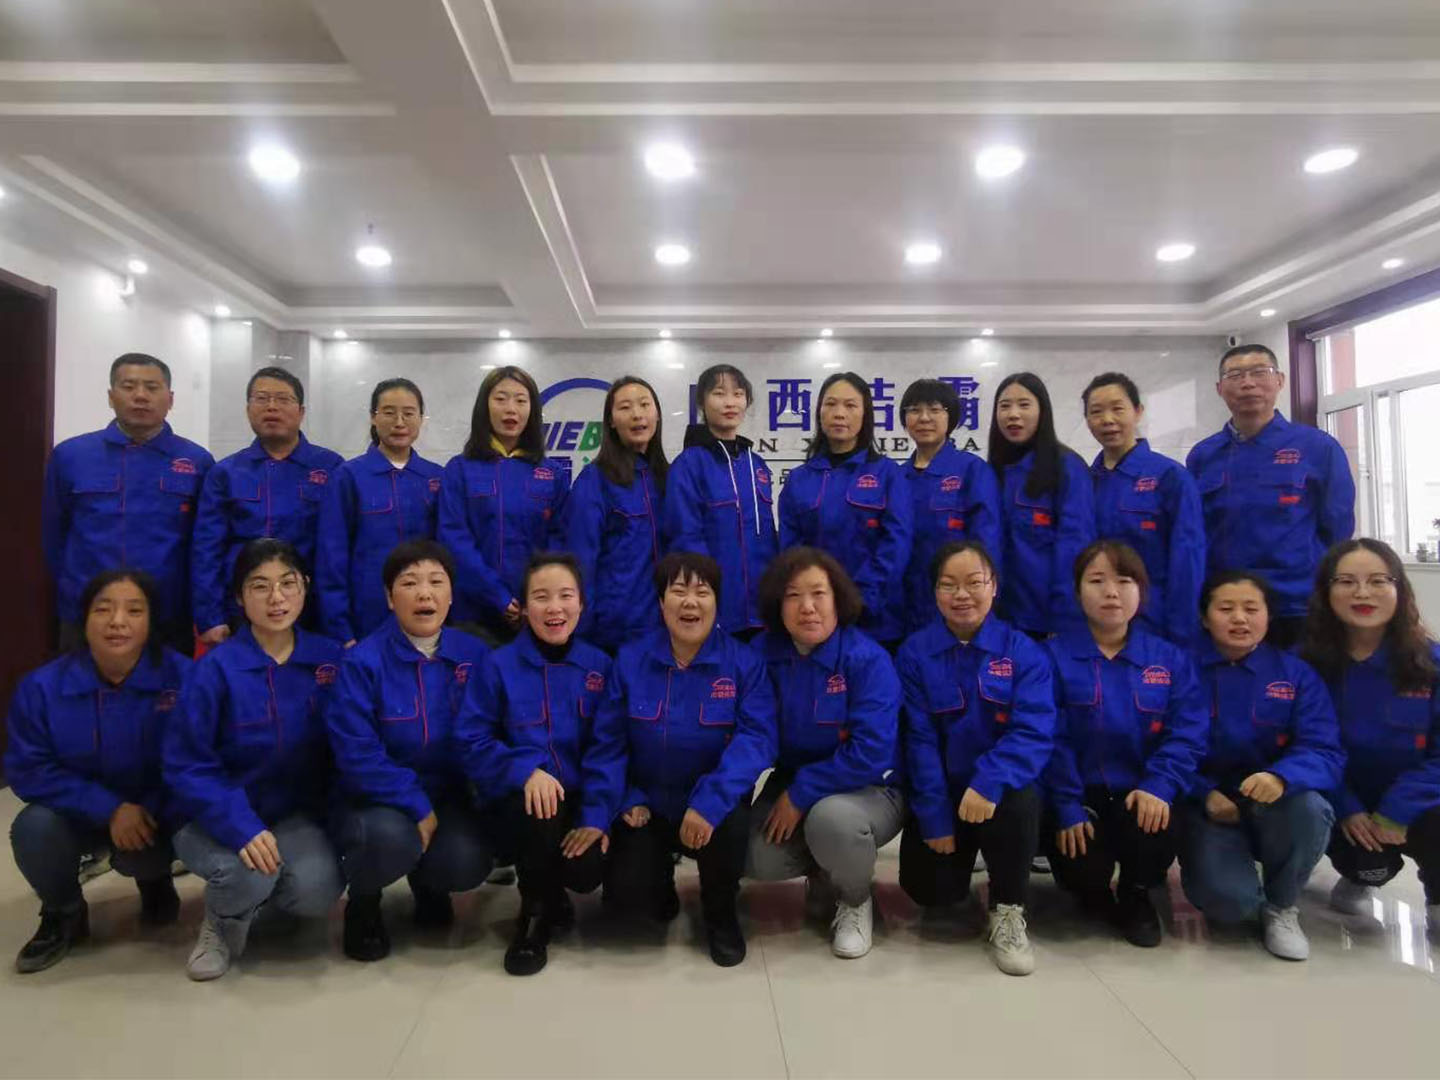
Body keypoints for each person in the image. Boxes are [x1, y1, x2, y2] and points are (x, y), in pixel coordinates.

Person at [164, 539, 345, 981]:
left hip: (292, 814)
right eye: (260, 586)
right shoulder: (215, 669)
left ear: (305, 587)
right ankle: (221, 921)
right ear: (240, 598)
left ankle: (256, 900)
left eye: (288, 583)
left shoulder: (329, 660)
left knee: (318, 888)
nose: (276, 598)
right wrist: (240, 825)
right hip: (213, 815)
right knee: (248, 875)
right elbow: (187, 764)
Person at [588, 552, 776, 966]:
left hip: (713, 803)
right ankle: (661, 888)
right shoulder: (631, 660)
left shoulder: (744, 663)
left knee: (729, 820)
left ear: (717, 603)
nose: (690, 602)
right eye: (678, 591)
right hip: (649, 803)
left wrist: (709, 802)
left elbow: (757, 739)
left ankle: (720, 911)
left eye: (702, 592)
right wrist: (627, 797)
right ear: (661, 603)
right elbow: (608, 743)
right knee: (629, 899)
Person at [6, 570, 189, 973]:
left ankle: (155, 880)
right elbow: (28, 767)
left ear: (152, 621)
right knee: (33, 828)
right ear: (83, 618)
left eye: (134, 610)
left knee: (165, 841)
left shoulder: (184, 679)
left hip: (155, 814)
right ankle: (64, 912)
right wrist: (109, 809)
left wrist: (144, 810)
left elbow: (196, 760)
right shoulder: (41, 688)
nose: (117, 621)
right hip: (79, 814)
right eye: (103, 609)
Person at [326, 541, 493, 962]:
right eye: (409, 583)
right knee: (387, 839)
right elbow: (356, 753)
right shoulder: (362, 662)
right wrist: (415, 803)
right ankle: (364, 903)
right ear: (389, 597)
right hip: (378, 798)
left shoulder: (475, 655)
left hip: (447, 795)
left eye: (436, 582)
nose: (424, 594)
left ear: (451, 595)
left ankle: (429, 885)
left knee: (466, 862)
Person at [896, 541, 1053, 975]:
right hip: (945, 792)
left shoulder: (1023, 652)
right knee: (931, 891)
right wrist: (934, 818)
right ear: (934, 593)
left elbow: (1033, 732)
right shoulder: (914, 653)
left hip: (1000, 791)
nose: (962, 594)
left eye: (974, 583)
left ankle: (1008, 907)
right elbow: (919, 741)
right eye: (949, 585)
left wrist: (988, 781)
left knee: (1021, 799)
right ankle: (965, 859)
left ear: (994, 586)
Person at [1044, 540, 1208, 947]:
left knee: (1156, 821)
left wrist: (1159, 785)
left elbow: (1187, 733)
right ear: (1077, 591)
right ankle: (1093, 889)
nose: (1111, 592)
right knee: (1082, 871)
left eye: (1124, 581)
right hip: (1079, 794)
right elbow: (1049, 737)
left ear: (1141, 591)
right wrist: (1066, 804)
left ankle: (1137, 891)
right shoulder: (1052, 656)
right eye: (1096, 581)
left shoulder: (1168, 659)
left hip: (1142, 791)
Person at [456, 553, 612, 976]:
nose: (554, 608)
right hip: (518, 801)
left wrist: (597, 816)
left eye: (566, 596)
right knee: (541, 805)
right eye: (541, 597)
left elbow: (610, 748)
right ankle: (534, 913)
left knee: (586, 871)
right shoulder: (498, 665)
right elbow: (471, 739)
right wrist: (522, 769)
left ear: (582, 603)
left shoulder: (600, 666)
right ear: (524, 608)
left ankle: (556, 891)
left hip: (578, 799)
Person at [746, 548, 905, 960]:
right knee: (753, 855)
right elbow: (754, 732)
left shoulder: (866, 659)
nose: (807, 607)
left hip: (869, 787)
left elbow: (871, 752)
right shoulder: (763, 654)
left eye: (819, 593)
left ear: (838, 599)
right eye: (793, 595)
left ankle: (855, 899)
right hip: (795, 779)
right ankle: (825, 871)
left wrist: (801, 794)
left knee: (832, 820)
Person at [1179, 571, 1343, 960]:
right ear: (1204, 617)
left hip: (1274, 800)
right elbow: (1159, 745)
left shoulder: (1296, 674)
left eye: (1251, 609)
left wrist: (1282, 777)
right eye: (1226, 608)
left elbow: (1324, 749)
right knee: (1230, 906)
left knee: (1311, 808)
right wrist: (1204, 794)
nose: (1240, 618)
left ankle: (1282, 906)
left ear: (1268, 616)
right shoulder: (1181, 669)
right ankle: (1239, 883)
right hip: (1206, 805)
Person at [1300, 539, 1440, 929]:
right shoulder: (1306, 665)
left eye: (1378, 581)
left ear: (1399, 589)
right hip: (1347, 801)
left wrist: (1396, 811)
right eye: (1346, 581)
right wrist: (1347, 807)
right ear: (1326, 592)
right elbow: (1304, 746)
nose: (1362, 593)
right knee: (1367, 864)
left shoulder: (1431, 663)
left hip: (1417, 798)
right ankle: (1361, 875)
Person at [42, 353, 213, 655]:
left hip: (166, 615)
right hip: (86, 612)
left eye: (152, 387)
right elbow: (54, 537)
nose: (140, 396)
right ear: (111, 397)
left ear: (170, 399)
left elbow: (204, 545)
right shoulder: (71, 456)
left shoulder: (197, 461)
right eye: (129, 386)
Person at [1186, 344, 1355, 649]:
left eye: (1259, 372)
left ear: (1280, 380)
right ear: (1220, 388)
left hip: (1296, 604)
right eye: (1235, 375)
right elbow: (1197, 531)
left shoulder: (1318, 448)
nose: (1248, 383)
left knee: (1299, 678)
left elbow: (1337, 530)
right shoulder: (1203, 455)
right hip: (1227, 605)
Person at [191, 368, 343, 642]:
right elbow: (206, 549)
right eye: (261, 398)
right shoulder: (225, 473)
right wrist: (210, 616)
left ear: (301, 411)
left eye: (283, 399)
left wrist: (338, 618)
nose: (272, 407)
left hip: (313, 609)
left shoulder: (331, 467)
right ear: (248, 409)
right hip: (242, 607)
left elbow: (340, 548)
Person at [778, 372, 912, 647]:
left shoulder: (888, 474)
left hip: (876, 619)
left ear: (865, 415)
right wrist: (816, 600)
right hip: (814, 617)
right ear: (819, 412)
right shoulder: (799, 479)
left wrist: (861, 598)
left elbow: (896, 542)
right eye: (831, 404)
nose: (839, 413)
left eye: (850, 405)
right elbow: (791, 551)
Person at [438, 367, 570, 643]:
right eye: (501, 399)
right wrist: (497, 596)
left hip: (534, 612)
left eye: (521, 400)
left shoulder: (553, 474)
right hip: (472, 612)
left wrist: (535, 596)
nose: (511, 408)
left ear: (532, 411)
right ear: (484, 406)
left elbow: (559, 541)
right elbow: (454, 539)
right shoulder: (460, 469)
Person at [315, 379, 444, 645]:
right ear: (373, 418)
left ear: (421, 419)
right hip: (366, 615)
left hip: (427, 611)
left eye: (409, 413)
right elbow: (331, 557)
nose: (399, 422)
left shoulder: (436, 478)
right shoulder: (348, 477)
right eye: (389, 412)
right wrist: (341, 630)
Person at [1083, 373, 1206, 647]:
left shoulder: (1170, 476)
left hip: (1156, 620)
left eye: (1117, 408)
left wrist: (1181, 631)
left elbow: (1188, 559)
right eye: (1096, 412)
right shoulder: (1084, 481)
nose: (1107, 420)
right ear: (1087, 420)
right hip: (1097, 621)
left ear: (1138, 411)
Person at [664, 364, 778, 638]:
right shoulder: (688, 464)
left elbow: (769, 539)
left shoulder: (756, 464)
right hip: (716, 612)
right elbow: (686, 539)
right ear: (701, 402)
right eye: (719, 393)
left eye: (738, 394)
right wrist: (704, 600)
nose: (730, 402)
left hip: (763, 612)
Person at [562, 376, 668, 653]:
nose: (637, 414)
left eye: (644, 404)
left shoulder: (669, 478)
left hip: (668, 627)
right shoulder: (594, 480)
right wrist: (581, 630)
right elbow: (581, 560)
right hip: (613, 631)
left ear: (657, 414)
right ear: (610, 421)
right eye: (625, 407)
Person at [987, 372, 1095, 639]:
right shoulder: (992, 470)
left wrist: (1063, 617)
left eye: (1024, 405)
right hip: (999, 614)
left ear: (1042, 411)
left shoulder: (1067, 467)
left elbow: (1075, 545)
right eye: (1004, 406)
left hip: (1048, 619)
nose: (1013, 414)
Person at [898, 379, 1000, 637]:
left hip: (959, 602)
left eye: (934, 409)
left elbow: (987, 542)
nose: (924, 418)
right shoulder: (896, 476)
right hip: (904, 606)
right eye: (914, 410)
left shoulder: (972, 470)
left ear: (951, 416)